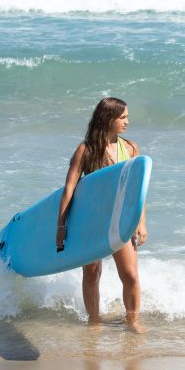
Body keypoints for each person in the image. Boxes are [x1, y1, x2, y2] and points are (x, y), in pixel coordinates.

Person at [56, 97, 148, 332]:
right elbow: (69, 189)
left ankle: (133, 321)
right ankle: (94, 320)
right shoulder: (86, 150)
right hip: (92, 220)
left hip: (120, 221)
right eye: (122, 117)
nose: (127, 122)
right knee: (92, 272)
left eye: (127, 117)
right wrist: (61, 226)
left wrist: (141, 223)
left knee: (130, 275)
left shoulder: (130, 148)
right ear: (108, 119)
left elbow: (138, 191)